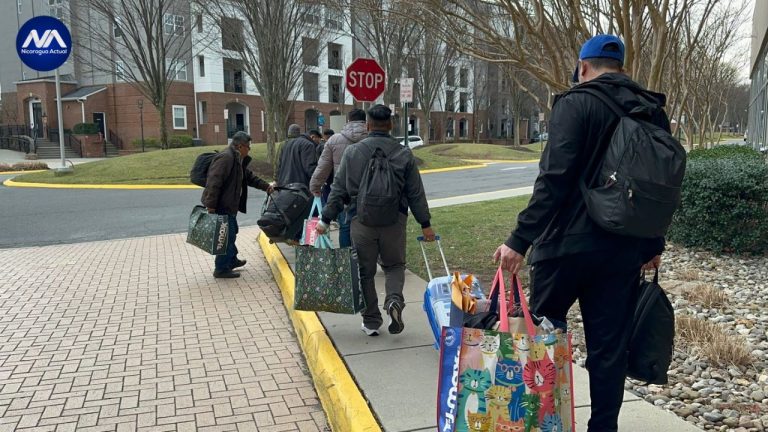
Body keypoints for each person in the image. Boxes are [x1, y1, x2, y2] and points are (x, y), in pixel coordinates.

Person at [493, 35, 668, 432]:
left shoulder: (575, 103)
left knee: (538, 339)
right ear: (621, 67)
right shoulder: (651, 110)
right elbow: (658, 187)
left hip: (565, 247)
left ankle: (538, 421)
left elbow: (554, 179)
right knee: (609, 353)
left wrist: (520, 239)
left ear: (583, 67)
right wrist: (653, 244)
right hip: (622, 251)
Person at [317, 104, 435, 337]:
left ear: (368, 125)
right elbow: (415, 193)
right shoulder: (403, 153)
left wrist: (325, 219)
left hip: (361, 222)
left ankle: (371, 321)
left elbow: (338, 190)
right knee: (394, 266)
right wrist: (425, 224)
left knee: (365, 272)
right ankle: (393, 300)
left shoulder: (352, 153)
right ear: (391, 125)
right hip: (394, 221)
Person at [201, 131, 273, 278]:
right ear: (240, 146)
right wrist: (211, 205)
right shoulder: (226, 158)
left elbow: (249, 178)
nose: (249, 150)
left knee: (231, 233)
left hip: (229, 206)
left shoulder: (236, 159)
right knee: (226, 237)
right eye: (248, 147)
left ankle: (231, 260)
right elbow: (213, 182)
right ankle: (221, 269)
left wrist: (267, 187)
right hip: (221, 206)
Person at [309, 109, 367, 247]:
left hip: (344, 192)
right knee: (368, 229)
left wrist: (315, 186)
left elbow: (322, 167)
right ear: (365, 121)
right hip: (370, 192)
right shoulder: (373, 138)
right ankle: (366, 262)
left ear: (348, 121)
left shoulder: (334, 140)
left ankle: (348, 262)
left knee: (345, 226)